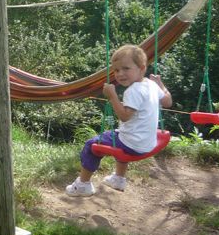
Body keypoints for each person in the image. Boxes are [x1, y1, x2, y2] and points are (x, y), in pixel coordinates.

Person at [66, 44, 172, 196]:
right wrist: (160, 84)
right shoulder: (151, 85)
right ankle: (118, 179)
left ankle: (83, 185)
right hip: (147, 143)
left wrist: (113, 96)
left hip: (132, 143)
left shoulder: (133, 91)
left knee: (92, 145)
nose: (120, 74)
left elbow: (124, 116)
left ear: (142, 68)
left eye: (126, 68)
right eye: (116, 70)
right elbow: (168, 101)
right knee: (118, 135)